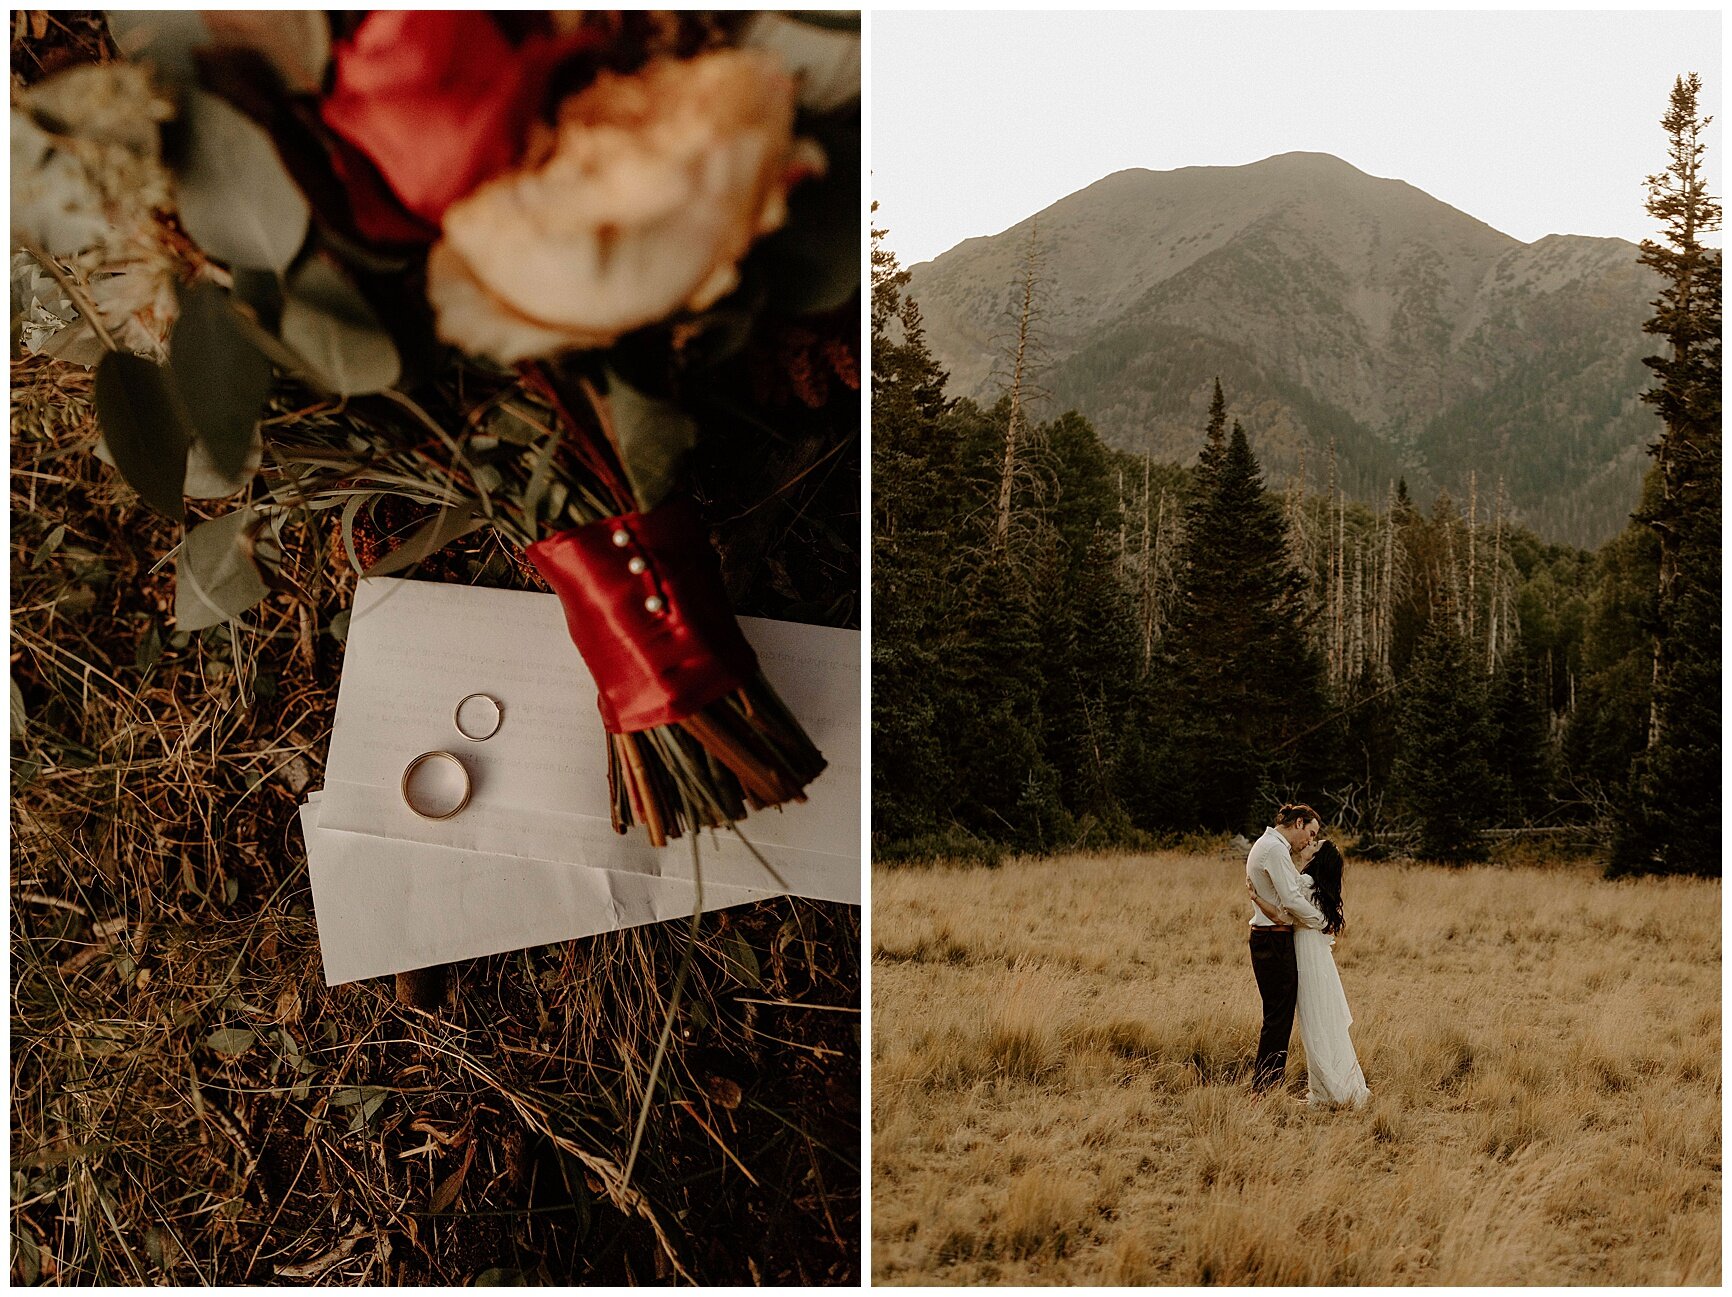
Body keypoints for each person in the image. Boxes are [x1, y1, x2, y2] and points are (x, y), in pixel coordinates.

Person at [1247, 819, 1370, 1108]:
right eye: (1312, 837)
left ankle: (1334, 1088)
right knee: (1317, 1020)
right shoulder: (1308, 883)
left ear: (1315, 859)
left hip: (1307, 955)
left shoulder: (1304, 884)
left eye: (1314, 843)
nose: (1309, 843)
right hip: (1309, 952)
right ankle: (1332, 1085)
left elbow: (1286, 912)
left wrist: (1258, 899)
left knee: (1315, 1021)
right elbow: (1288, 911)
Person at [1244, 804, 1328, 1094]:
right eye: (1310, 833)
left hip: (1271, 936)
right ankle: (1264, 1088)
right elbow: (1291, 899)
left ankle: (1267, 1085)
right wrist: (1322, 921)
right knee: (1278, 1017)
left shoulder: (1269, 845)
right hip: (1273, 940)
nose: (1309, 841)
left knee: (1278, 1015)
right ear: (1299, 823)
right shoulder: (1275, 849)